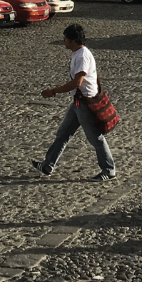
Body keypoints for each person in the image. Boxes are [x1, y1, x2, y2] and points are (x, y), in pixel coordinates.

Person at [32, 24, 115, 181]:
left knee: (95, 138)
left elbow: (77, 82)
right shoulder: (79, 53)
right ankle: (48, 164)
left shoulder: (82, 56)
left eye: (65, 38)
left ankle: (109, 169)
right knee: (63, 134)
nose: (64, 41)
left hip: (84, 104)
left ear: (72, 40)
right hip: (78, 102)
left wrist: (54, 91)